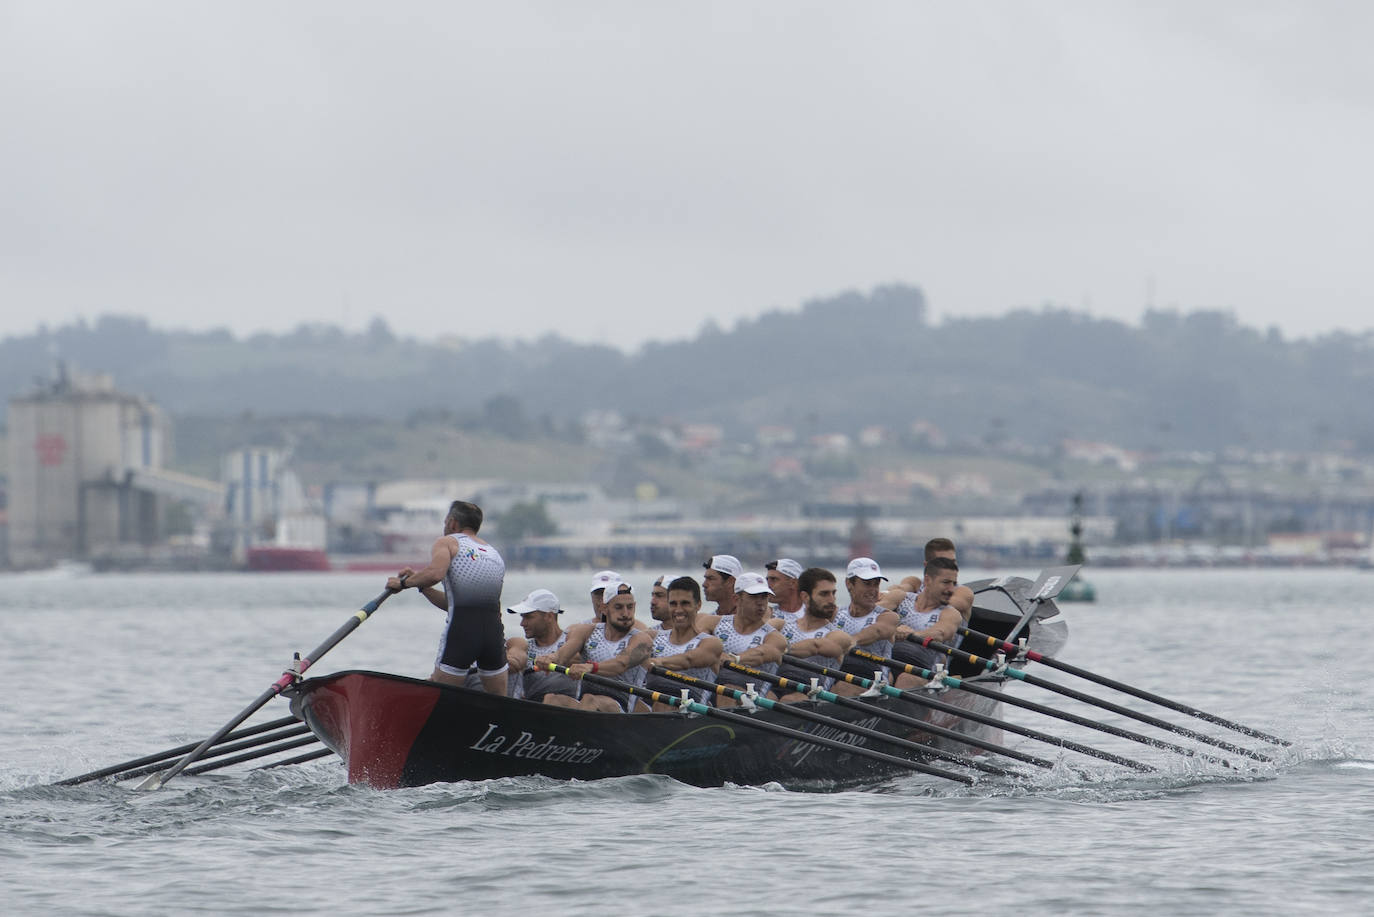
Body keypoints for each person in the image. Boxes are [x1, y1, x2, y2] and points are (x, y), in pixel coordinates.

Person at [387, 500, 508, 695]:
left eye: (445, 522)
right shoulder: (494, 554)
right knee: (501, 700)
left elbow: (435, 573)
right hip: (493, 635)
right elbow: (454, 603)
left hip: (463, 632)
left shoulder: (448, 542)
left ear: (452, 523)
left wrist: (402, 584)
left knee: (440, 696)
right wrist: (422, 586)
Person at [546, 581, 653, 712]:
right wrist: (549, 659)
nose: (626, 613)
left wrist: (591, 667)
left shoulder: (642, 639)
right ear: (604, 608)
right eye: (618, 607)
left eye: (630, 607)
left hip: (621, 708)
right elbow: (561, 655)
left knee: (590, 700)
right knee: (552, 699)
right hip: (585, 703)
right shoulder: (586, 631)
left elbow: (621, 664)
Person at [641, 576, 724, 710]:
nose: (678, 610)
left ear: (698, 605)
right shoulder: (651, 637)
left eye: (685, 603)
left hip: (690, 711)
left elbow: (688, 659)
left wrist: (658, 662)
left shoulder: (710, 643)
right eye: (673, 604)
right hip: (649, 706)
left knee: (664, 704)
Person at [774, 567, 853, 702]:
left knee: (789, 699)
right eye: (824, 594)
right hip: (775, 687)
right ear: (805, 596)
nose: (831, 600)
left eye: (833, 593)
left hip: (812, 694)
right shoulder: (782, 625)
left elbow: (815, 646)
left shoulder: (837, 636)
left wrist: (778, 651)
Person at [713, 572, 788, 708]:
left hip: (755, 701)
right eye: (754, 597)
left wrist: (734, 659)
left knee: (730, 690)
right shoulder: (713, 623)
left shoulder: (774, 637)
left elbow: (763, 653)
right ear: (736, 599)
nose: (760, 603)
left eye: (764, 597)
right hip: (712, 693)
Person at [890, 556, 966, 689]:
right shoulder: (902, 598)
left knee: (906, 679)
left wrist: (912, 634)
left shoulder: (950, 613)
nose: (951, 589)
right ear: (927, 580)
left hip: (924, 670)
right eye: (946, 582)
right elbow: (874, 613)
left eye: (953, 584)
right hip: (888, 662)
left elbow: (940, 632)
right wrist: (889, 630)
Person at [830, 557, 900, 696]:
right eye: (867, 584)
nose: (873, 590)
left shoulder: (887, 616)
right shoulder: (835, 614)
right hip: (837, 676)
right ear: (849, 584)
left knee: (844, 687)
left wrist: (852, 640)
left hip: (874, 683)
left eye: (876, 584)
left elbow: (878, 631)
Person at [504, 589, 579, 704]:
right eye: (522, 617)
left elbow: (579, 657)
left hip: (566, 710)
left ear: (549, 616)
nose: (522, 623)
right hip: (531, 708)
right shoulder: (524, 647)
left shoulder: (571, 642)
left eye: (528, 617)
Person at [880, 537, 974, 621]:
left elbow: (950, 602)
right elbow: (900, 588)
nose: (951, 567)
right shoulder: (915, 583)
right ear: (927, 566)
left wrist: (900, 597)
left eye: (953, 562)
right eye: (943, 562)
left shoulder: (963, 592)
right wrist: (884, 594)